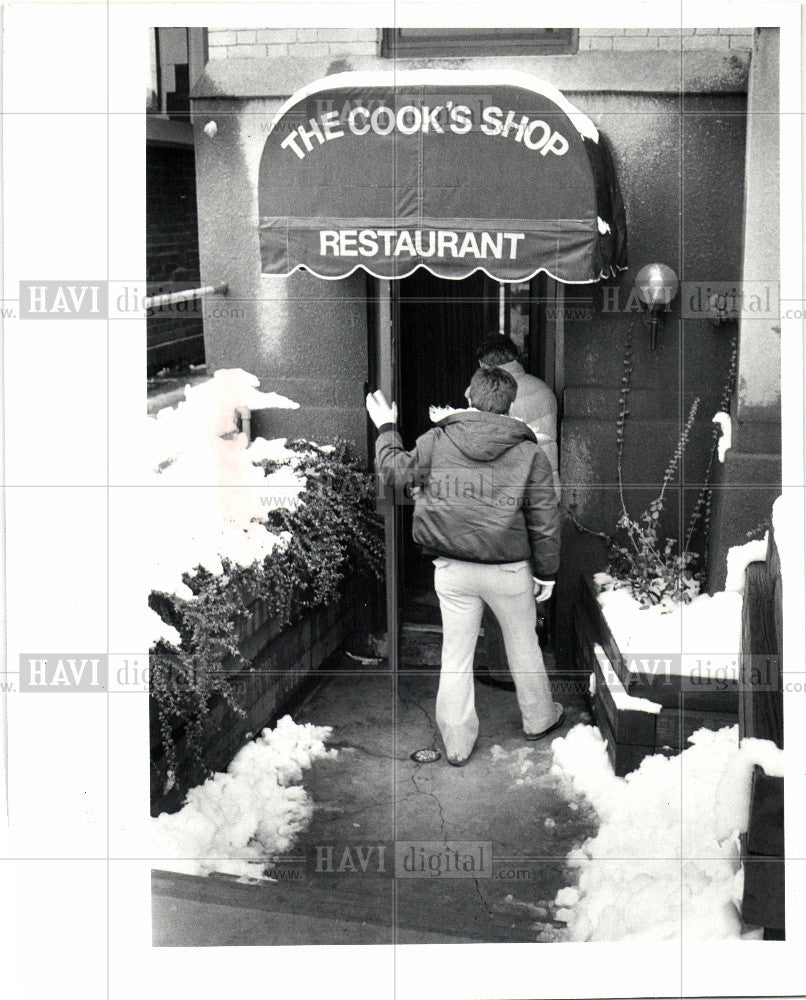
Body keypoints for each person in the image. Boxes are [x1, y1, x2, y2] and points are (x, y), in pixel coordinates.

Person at [367, 368, 563, 767]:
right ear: (510, 405)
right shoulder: (530, 453)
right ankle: (540, 719)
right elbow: (545, 519)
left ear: (468, 396)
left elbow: (394, 472)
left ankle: (456, 744)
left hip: (453, 569)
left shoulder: (437, 440)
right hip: (509, 571)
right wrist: (547, 572)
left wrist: (387, 427)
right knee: (523, 645)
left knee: (456, 653)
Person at [469, 335, 560, 499]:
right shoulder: (543, 389)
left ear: (482, 363)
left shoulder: (485, 393)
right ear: (514, 357)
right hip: (544, 487)